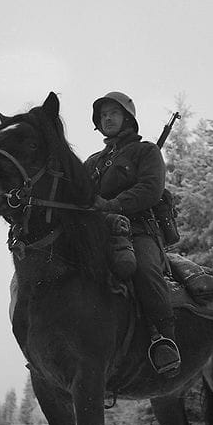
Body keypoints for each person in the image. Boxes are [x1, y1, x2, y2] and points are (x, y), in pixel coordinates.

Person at [84, 91, 180, 377]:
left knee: (145, 271)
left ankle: (164, 340)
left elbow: (150, 189)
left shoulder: (146, 152)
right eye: (103, 115)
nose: (108, 118)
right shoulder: (92, 163)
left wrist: (112, 205)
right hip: (98, 234)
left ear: (128, 117)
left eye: (113, 112)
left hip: (139, 230)